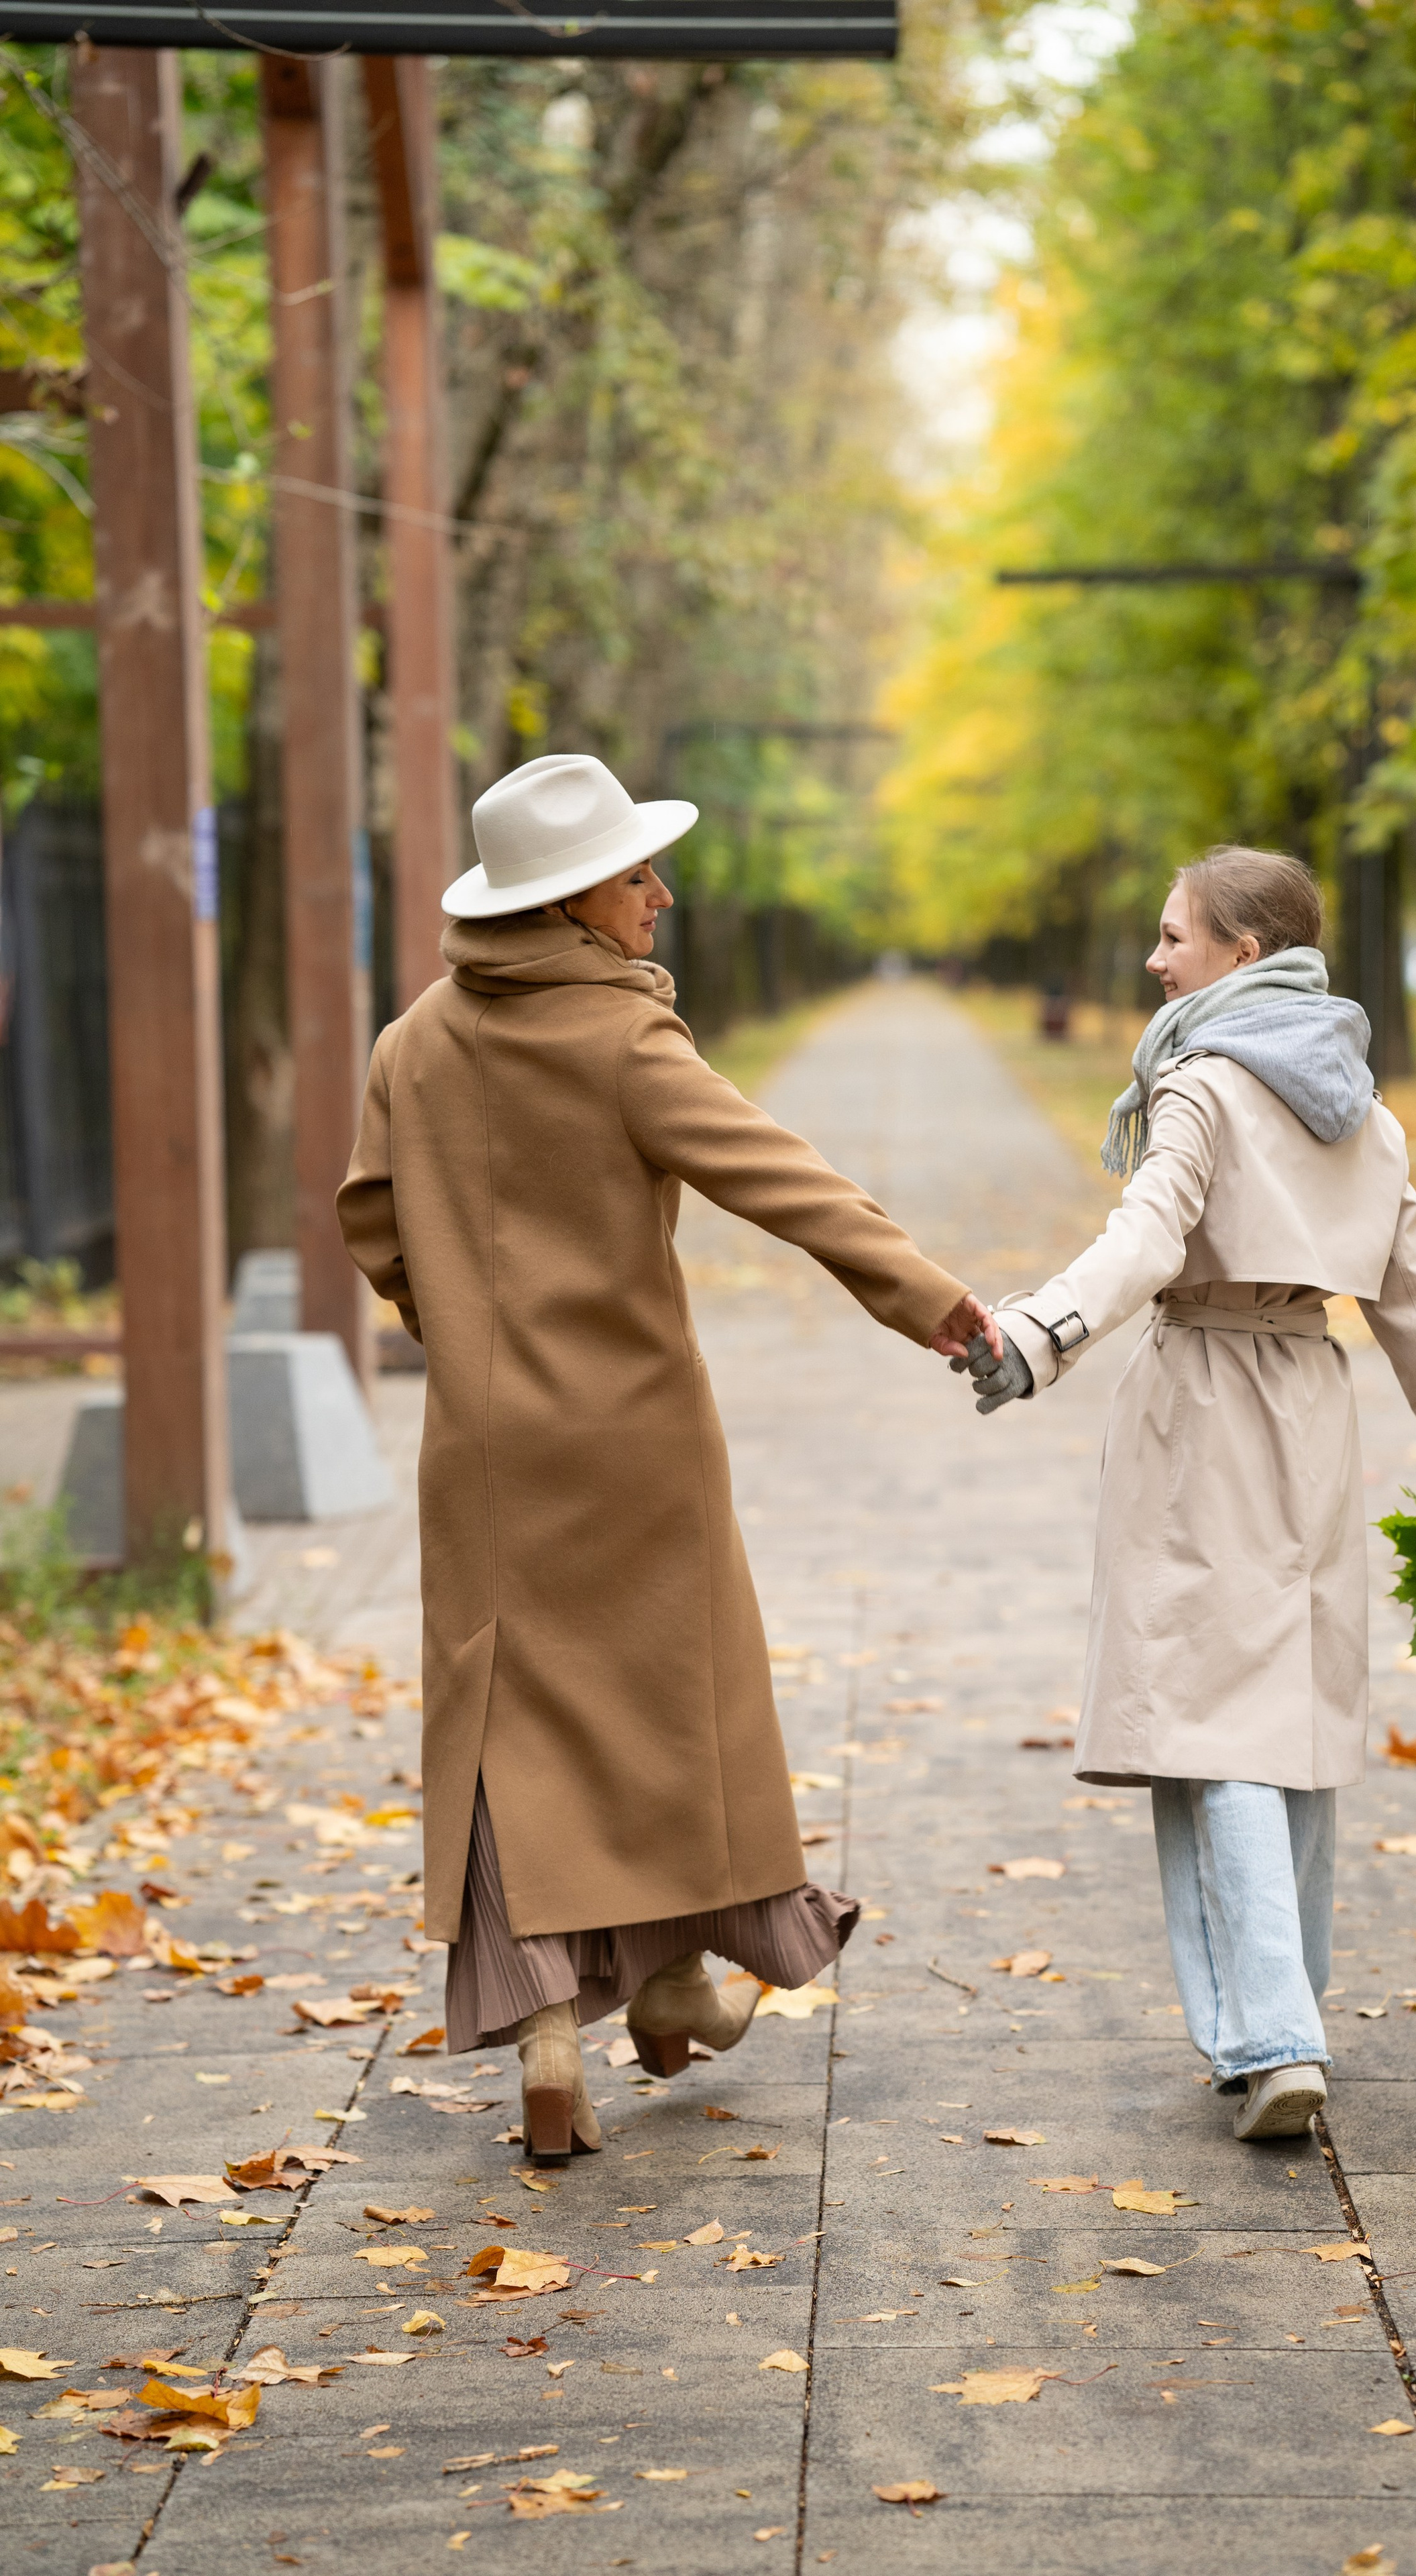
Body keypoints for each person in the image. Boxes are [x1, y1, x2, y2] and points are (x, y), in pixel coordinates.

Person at [339, 753, 995, 2162]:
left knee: (512, 1726)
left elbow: (372, 1220)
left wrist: (457, 1325)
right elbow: (778, 1176)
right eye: (638, 874)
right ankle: (680, 1972)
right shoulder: (624, 1040)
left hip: (482, 1447)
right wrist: (927, 1296)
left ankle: (562, 2028)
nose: (662, 894)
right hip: (635, 1437)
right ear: (573, 900)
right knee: (679, 1708)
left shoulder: (412, 1043)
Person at [952, 845, 1416, 2141]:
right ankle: (1274, 2022)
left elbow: (1147, 1235)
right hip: (1312, 1409)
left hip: (1206, 1406)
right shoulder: (1365, 1113)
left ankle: (1273, 2034)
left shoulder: (1205, 1083)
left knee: (1208, 1722)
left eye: (1176, 937)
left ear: (1244, 953)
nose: (1155, 959)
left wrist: (1040, 1333)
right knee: (1293, 1723)